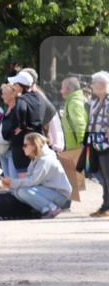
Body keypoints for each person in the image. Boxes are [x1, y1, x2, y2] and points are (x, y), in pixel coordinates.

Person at [1, 133, 72, 219]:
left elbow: (33, 181)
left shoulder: (45, 160)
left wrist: (12, 182)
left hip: (61, 196)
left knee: (23, 191)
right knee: (17, 192)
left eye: (25, 145)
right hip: (51, 191)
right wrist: (12, 184)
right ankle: (45, 209)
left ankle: (52, 208)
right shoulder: (36, 158)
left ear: (34, 145)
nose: (23, 148)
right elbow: (30, 179)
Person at [3, 71, 46, 182]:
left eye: (15, 84)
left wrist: (20, 126)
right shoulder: (37, 98)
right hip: (37, 140)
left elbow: (20, 111)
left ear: (20, 86)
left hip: (22, 144)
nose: (13, 87)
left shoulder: (21, 100)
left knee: (23, 178)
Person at [58, 75, 88, 203]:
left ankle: (66, 203)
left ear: (69, 88)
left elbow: (80, 124)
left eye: (62, 87)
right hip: (73, 144)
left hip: (76, 145)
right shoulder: (73, 101)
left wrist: (82, 144)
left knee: (71, 176)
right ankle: (68, 202)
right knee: (71, 176)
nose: (60, 91)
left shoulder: (74, 102)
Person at [86, 71, 109, 217]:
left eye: (94, 83)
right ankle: (105, 205)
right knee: (102, 175)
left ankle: (107, 207)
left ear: (102, 85)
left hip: (106, 143)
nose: (91, 86)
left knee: (108, 176)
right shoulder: (94, 101)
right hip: (96, 142)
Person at [0, 82, 20, 181]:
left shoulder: (17, 109)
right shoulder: (7, 108)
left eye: (4, 93)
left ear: (13, 94)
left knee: (13, 179)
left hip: (11, 148)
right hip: (2, 148)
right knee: (7, 179)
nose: (2, 96)